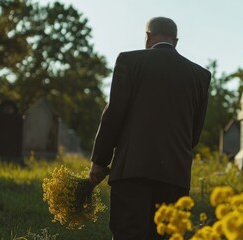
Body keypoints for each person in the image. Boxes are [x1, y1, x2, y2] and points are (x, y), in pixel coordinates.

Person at [88, 17, 211, 239]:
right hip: (175, 175)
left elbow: (114, 114)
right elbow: (194, 133)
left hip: (132, 170)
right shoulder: (200, 76)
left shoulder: (129, 61)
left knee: (129, 234)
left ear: (147, 37)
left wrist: (100, 161)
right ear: (176, 41)